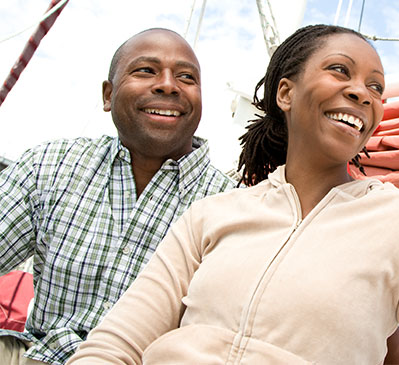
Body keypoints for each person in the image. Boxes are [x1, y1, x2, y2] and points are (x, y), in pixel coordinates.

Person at [68, 24, 399, 364]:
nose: (362, 93)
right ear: (285, 93)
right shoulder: (210, 214)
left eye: (376, 87)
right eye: (341, 71)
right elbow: (117, 343)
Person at [0, 28, 235, 365]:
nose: (168, 84)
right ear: (108, 95)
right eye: (146, 71)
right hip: (36, 355)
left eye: (186, 77)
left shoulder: (230, 207)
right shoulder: (51, 166)